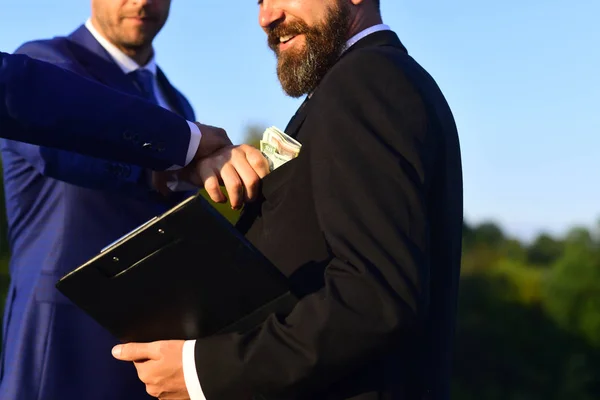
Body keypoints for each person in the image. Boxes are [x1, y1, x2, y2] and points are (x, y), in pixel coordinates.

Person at [113, 0, 464, 399]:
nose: (266, 17)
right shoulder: (368, 82)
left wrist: (202, 371)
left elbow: (375, 296)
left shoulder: (366, 81)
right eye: (260, 1)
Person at [0, 1, 268, 399]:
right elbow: (62, 151)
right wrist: (172, 167)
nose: (142, 1)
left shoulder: (178, 105)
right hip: (63, 348)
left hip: (155, 357)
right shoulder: (45, 61)